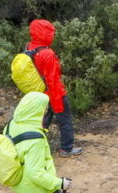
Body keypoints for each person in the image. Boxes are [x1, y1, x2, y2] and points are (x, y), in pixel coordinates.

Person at [26, 19, 82, 157]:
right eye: (50, 33)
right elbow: (53, 80)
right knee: (65, 119)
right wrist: (58, 102)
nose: (53, 36)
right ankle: (67, 148)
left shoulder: (29, 47)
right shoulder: (47, 53)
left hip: (39, 93)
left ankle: (33, 148)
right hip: (53, 93)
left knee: (42, 121)